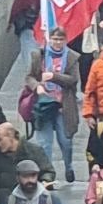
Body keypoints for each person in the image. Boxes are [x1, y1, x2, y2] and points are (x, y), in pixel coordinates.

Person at [25, 26, 81, 184]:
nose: (57, 43)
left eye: (60, 39)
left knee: (65, 141)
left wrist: (54, 76)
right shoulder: (39, 55)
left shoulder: (71, 57)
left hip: (63, 105)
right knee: (44, 143)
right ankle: (47, 174)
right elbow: (29, 77)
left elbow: (73, 80)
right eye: (54, 39)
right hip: (43, 104)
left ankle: (68, 166)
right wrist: (37, 86)